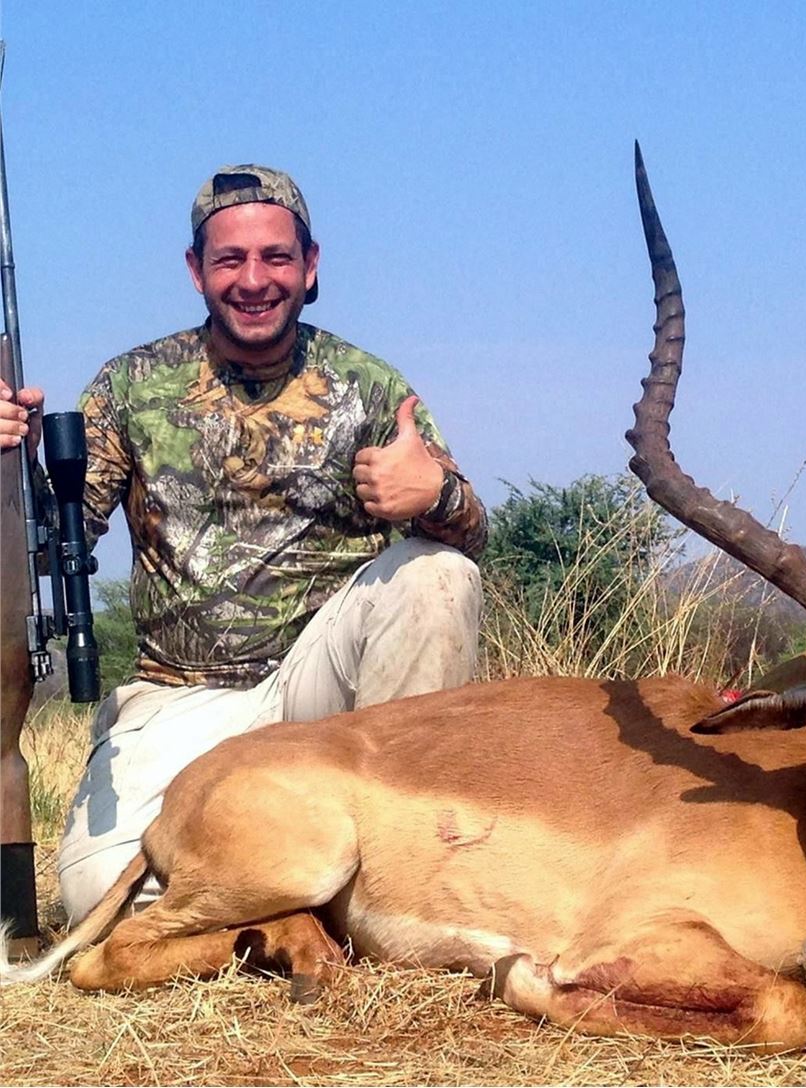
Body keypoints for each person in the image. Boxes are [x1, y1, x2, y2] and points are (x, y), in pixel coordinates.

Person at [0, 165, 487, 920]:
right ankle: (299, 896)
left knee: (439, 574)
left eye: (275, 257)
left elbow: (474, 534)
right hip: (179, 699)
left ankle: (400, 867)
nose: (254, 280)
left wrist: (436, 497)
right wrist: (12, 469)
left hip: (324, 694)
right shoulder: (130, 386)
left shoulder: (368, 386)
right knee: (99, 902)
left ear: (310, 265)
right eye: (230, 259)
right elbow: (51, 545)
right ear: (196, 270)